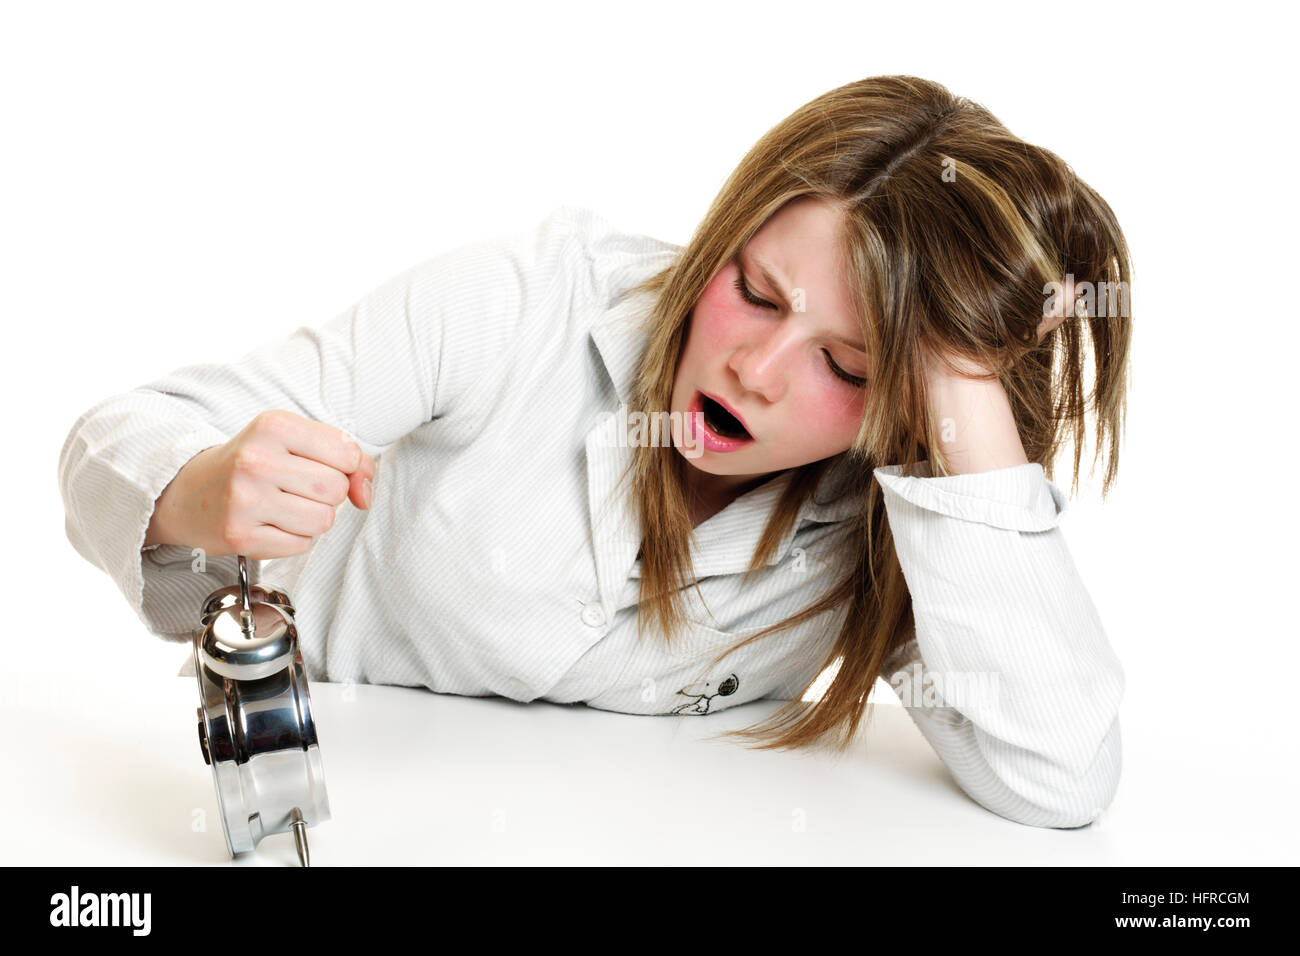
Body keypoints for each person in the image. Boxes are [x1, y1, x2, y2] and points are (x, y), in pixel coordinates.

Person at [58, 74, 1131, 829]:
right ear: (725, 236)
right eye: (754, 290)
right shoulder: (521, 303)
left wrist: (966, 394)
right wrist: (197, 488)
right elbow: (117, 432)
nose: (756, 369)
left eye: (845, 365)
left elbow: (1055, 771)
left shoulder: (896, 507)